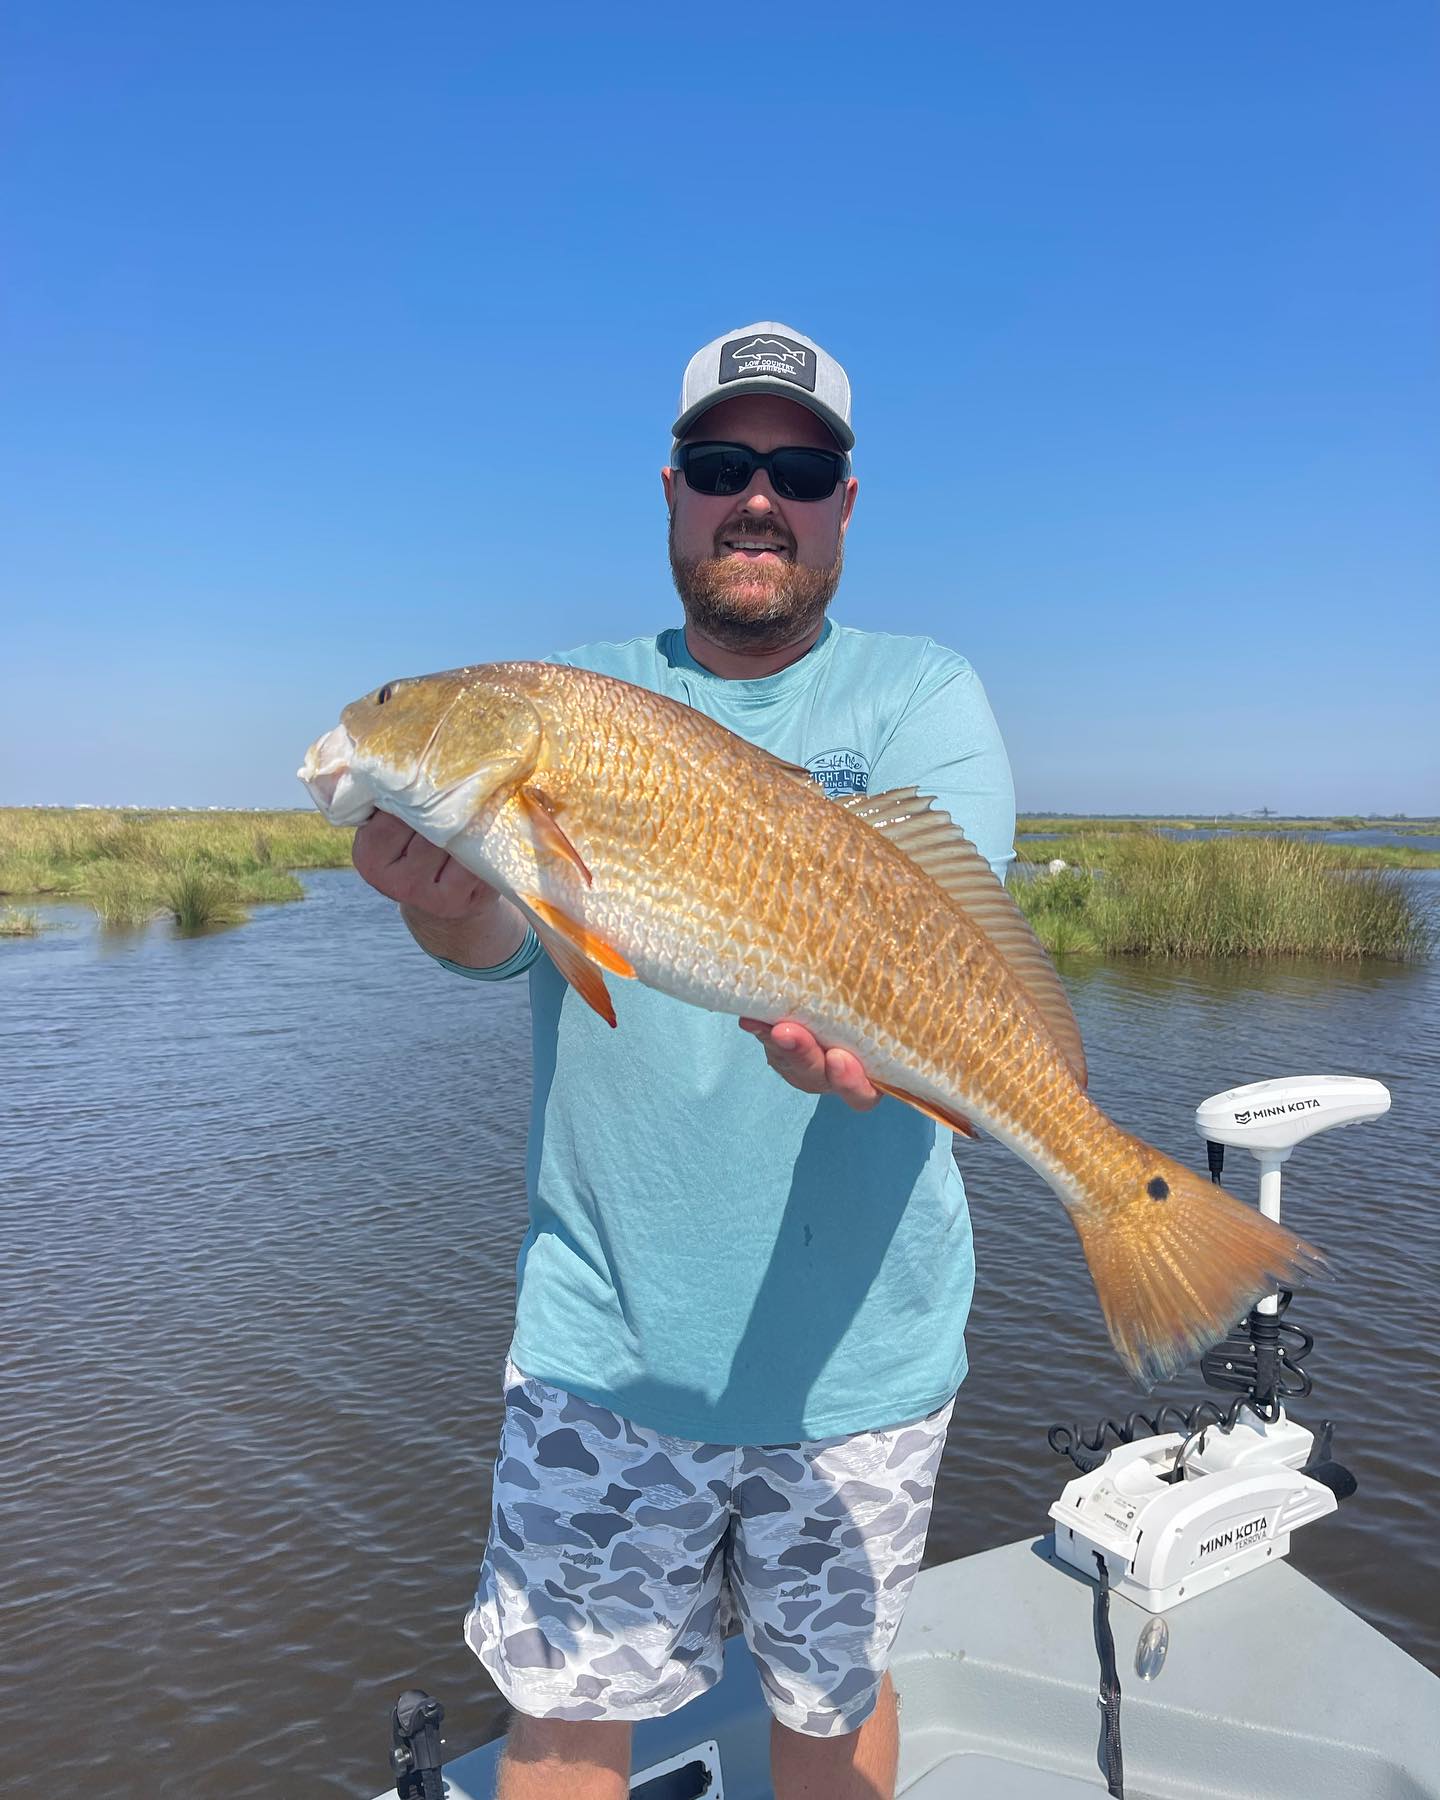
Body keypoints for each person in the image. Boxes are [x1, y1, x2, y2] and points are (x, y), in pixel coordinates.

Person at [352, 323, 1016, 1800]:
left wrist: (882, 1042)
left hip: (864, 1362)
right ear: (671, 491)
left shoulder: (923, 693)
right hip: (606, 1350)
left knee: (832, 1709)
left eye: (800, 473)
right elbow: (506, 947)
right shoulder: (571, 697)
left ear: (846, 504)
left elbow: (950, 939)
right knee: (565, 1725)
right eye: (721, 466)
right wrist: (445, 902)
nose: (757, 498)